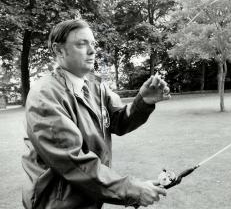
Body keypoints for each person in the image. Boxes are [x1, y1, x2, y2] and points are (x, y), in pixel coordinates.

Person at [22, 19, 171, 209]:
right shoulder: (45, 95)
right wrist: (132, 189)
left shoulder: (96, 85)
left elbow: (118, 121)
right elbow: (72, 162)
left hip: (88, 199)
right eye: (81, 44)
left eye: (93, 44)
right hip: (57, 203)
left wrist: (144, 101)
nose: (92, 50)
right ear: (59, 50)